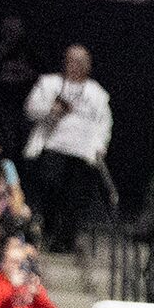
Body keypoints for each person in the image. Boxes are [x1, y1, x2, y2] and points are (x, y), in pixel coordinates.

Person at [24, 45, 113, 247]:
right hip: (52, 147)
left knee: (75, 199)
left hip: (82, 153)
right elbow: (31, 109)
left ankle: (66, 241)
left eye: (80, 62)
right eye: (71, 60)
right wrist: (51, 109)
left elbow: (104, 123)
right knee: (50, 187)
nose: (75, 65)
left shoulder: (97, 92)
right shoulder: (49, 83)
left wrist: (100, 145)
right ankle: (49, 230)